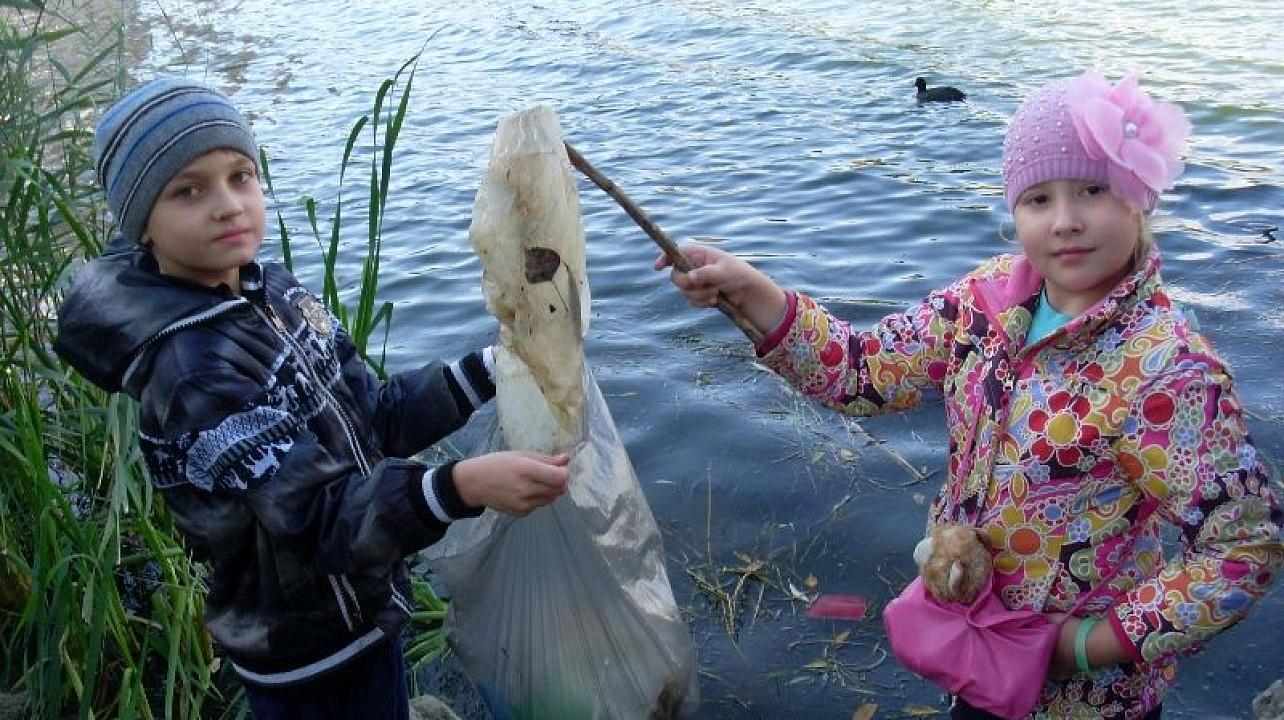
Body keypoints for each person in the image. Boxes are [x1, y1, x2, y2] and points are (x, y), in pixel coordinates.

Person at [657, 70, 1283, 718]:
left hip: (1089, 698)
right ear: (1014, 209)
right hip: (971, 646)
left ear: (1138, 197)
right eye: (1038, 198)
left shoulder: (1168, 370)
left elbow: (1246, 544)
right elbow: (861, 371)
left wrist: (1094, 644)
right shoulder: (983, 305)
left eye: (1093, 190)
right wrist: (754, 292)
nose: (1065, 221)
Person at [53, 78, 570, 720]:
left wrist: (488, 369)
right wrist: (458, 486)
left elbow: (371, 415)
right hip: (305, 654)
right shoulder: (192, 371)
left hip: (361, 603)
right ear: (143, 226)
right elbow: (317, 520)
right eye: (188, 190)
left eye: (240, 176)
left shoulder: (272, 292)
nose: (227, 206)